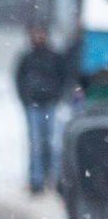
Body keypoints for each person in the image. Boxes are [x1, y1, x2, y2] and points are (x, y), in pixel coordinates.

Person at [15, 24, 70, 193]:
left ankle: (52, 178)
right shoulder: (27, 58)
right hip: (34, 105)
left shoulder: (54, 57)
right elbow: (19, 80)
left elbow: (63, 78)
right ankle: (36, 180)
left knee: (52, 143)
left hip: (50, 104)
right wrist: (25, 99)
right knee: (36, 144)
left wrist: (57, 96)